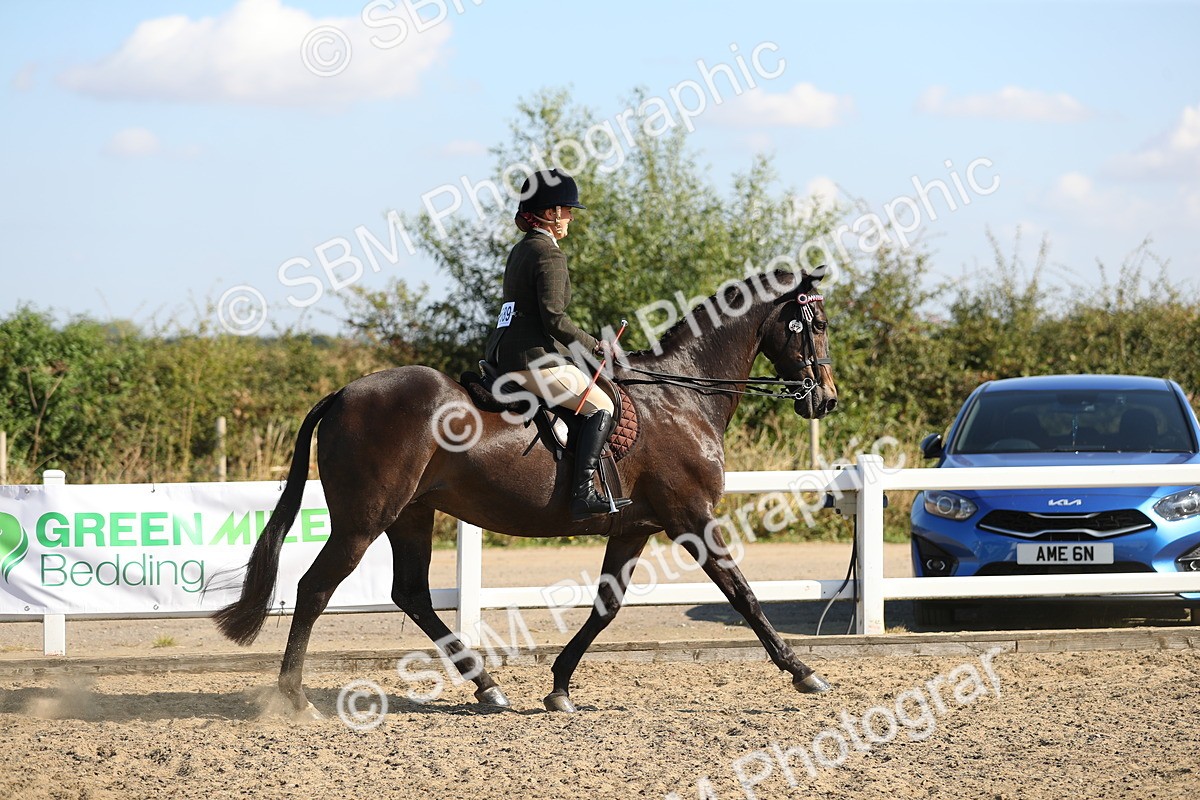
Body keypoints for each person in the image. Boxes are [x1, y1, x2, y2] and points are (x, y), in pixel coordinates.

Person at [484, 169, 631, 520]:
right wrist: (596, 345)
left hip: (501, 354)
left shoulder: (521, 250)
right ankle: (583, 494)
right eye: (567, 210)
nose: (570, 217)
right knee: (602, 407)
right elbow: (555, 319)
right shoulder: (549, 254)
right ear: (550, 213)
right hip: (533, 360)